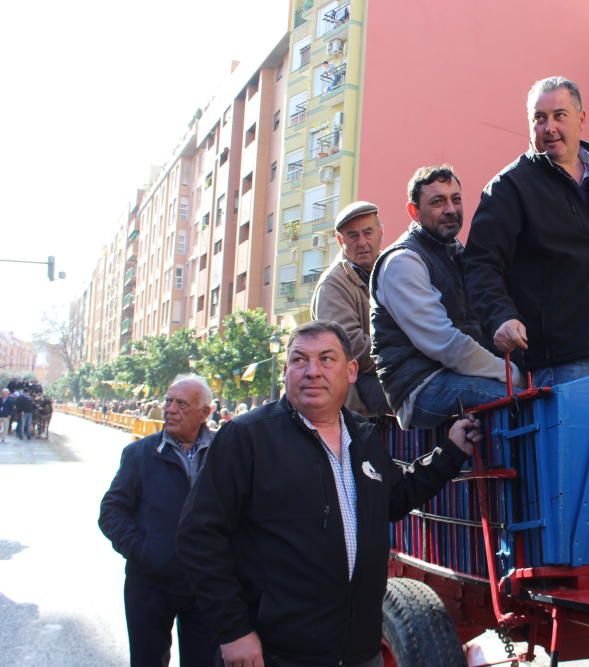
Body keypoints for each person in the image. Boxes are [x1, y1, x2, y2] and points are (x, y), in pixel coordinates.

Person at [176, 321, 480, 667]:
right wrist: (234, 632)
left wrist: (452, 452)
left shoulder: (363, 438)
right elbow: (198, 537)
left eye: (326, 359)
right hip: (277, 654)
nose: (312, 372)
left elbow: (395, 497)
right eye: (299, 360)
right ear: (286, 370)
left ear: (351, 370)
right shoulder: (246, 437)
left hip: (360, 653)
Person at [464, 75, 589, 386]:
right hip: (558, 364)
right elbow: (479, 264)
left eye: (559, 116)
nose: (549, 127)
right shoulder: (510, 187)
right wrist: (500, 317)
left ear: (581, 119)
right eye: (539, 118)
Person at [370, 165, 523, 429]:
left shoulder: (455, 253)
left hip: (452, 373)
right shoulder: (403, 262)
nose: (451, 209)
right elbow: (444, 343)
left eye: (456, 199)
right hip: (420, 386)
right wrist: (509, 373)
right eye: (438, 201)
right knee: (527, 402)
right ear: (414, 211)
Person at [98, 374, 217, 667]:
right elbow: (111, 511)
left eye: (181, 404)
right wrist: (145, 551)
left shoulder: (224, 452)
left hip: (207, 584)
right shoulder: (140, 454)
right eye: (168, 401)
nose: (170, 410)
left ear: (205, 413)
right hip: (150, 584)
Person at [311, 200, 389, 417]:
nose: (362, 242)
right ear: (340, 240)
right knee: (424, 396)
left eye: (368, 232)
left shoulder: (393, 269)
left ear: (381, 233)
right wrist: (403, 354)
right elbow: (351, 349)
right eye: (353, 235)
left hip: (389, 371)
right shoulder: (333, 284)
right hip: (358, 394)